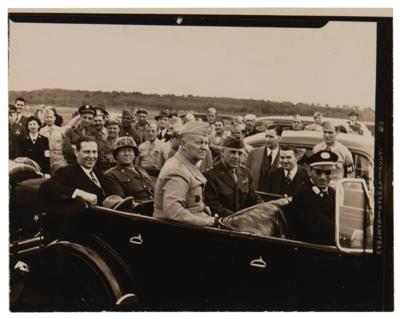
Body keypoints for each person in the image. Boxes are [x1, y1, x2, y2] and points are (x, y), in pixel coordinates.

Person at [153, 121, 216, 226]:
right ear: (183, 144)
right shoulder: (177, 170)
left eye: (206, 143)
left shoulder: (188, 164)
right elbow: (173, 211)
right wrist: (205, 221)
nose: (204, 147)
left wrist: (202, 208)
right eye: (199, 142)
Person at [40, 136, 124, 207]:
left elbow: (112, 189)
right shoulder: (67, 172)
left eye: (94, 152)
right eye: (87, 152)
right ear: (76, 152)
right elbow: (46, 187)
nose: (91, 156)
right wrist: (80, 193)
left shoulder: (97, 173)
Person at [284, 150, 338, 245]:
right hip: (312, 248)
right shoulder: (304, 194)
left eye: (327, 172)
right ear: (309, 171)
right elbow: (319, 229)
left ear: (332, 173)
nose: (323, 177)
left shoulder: (332, 192)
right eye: (318, 172)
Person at [204, 136, 262, 217]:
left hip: (244, 221)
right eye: (232, 152)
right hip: (223, 223)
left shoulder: (246, 173)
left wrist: (263, 208)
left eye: (240, 153)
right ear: (222, 152)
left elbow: (253, 197)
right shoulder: (210, 175)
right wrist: (236, 217)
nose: (236, 157)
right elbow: (213, 205)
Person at [105, 137, 154, 201]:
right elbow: (121, 203)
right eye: (122, 151)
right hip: (137, 209)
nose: (127, 154)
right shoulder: (111, 175)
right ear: (116, 155)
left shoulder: (141, 170)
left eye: (129, 150)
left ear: (134, 155)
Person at [247, 125, 282, 191]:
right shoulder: (254, 153)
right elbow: (245, 175)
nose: (267, 140)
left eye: (271, 137)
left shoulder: (284, 156)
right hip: (255, 196)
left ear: (279, 138)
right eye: (266, 136)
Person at [39, 107, 67, 174]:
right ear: (44, 118)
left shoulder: (60, 130)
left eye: (51, 117)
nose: (49, 119)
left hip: (59, 160)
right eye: (47, 117)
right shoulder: (41, 131)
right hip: (46, 159)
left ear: (54, 118)